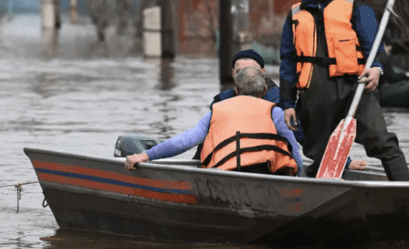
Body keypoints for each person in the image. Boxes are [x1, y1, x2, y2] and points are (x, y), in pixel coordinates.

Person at [279, 0, 409, 181]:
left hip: (355, 88)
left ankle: (407, 189)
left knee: (381, 141)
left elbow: (376, 49)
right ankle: (323, 193)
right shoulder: (295, 13)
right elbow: (288, 61)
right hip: (314, 93)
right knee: (320, 154)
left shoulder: (356, 7)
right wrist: (288, 102)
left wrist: (376, 69)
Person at [199, 48, 367, 171]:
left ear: (263, 73)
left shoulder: (279, 102)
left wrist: (345, 161)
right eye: (240, 71)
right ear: (233, 74)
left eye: (252, 71)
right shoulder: (221, 101)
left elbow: (304, 138)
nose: (246, 76)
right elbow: (206, 139)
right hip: (228, 165)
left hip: (268, 166)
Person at [125, 66, 302, 176]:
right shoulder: (275, 112)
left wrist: (145, 155)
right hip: (264, 173)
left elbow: (184, 141)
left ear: (236, 90)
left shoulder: (216, 111)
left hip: (225, 174)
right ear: (264, 90)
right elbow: (295, 155)